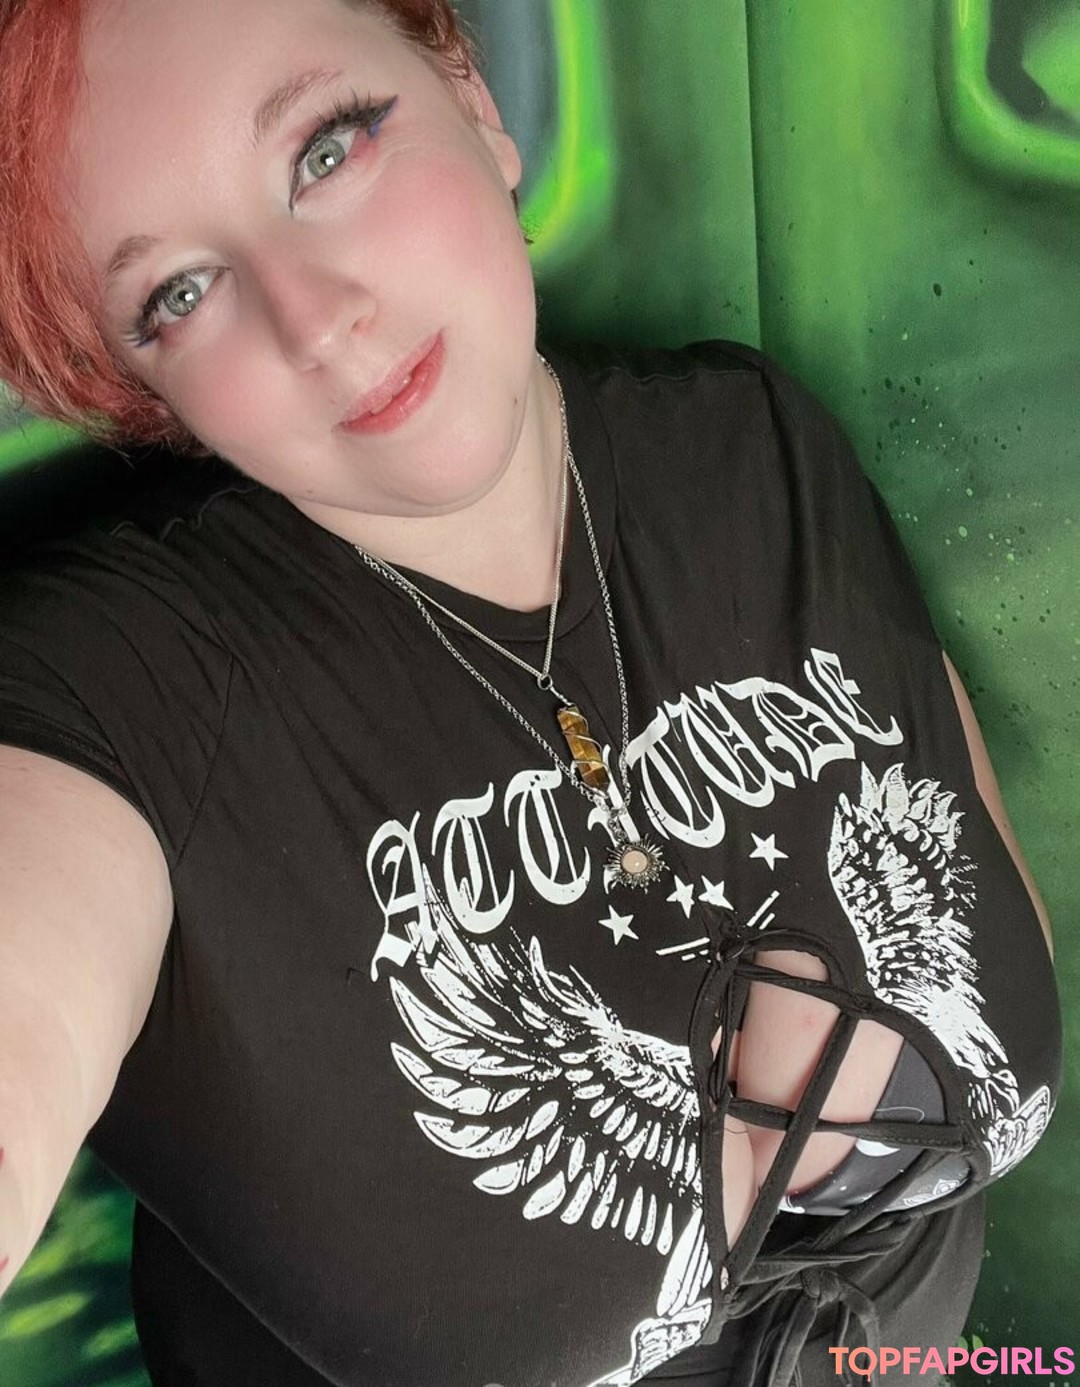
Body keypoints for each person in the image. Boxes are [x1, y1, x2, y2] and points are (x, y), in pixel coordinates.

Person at [0, 0, 1061, 1383]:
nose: (317, 322)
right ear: (153, 394)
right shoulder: (122, 688)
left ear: (471, 94)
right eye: (179, 295)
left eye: (326, 149)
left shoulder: (752, 448)